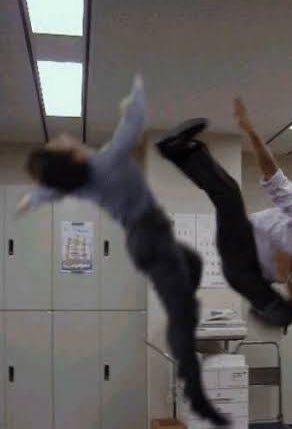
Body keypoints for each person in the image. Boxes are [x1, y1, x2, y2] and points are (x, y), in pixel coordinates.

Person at [16, 76, 227, 426]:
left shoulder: (82, 182)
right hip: (150, 234)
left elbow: (49, 191)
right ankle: (196, 392)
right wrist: (136, 93)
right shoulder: (105, 162)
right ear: (72, 155)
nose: (65, 137)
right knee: (183, 310)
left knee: (193, 263)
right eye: (61, 143)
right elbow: (133, 124)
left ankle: (183, 329)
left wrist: (29, 199)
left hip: (147, 238)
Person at [156, 99, 292, 329]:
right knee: (230, 193)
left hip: (249, 277)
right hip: (241, 241)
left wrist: (288, 278)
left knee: (287, 315)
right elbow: (273, 173)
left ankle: (266, 310)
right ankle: (180, 150)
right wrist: (251, 131)